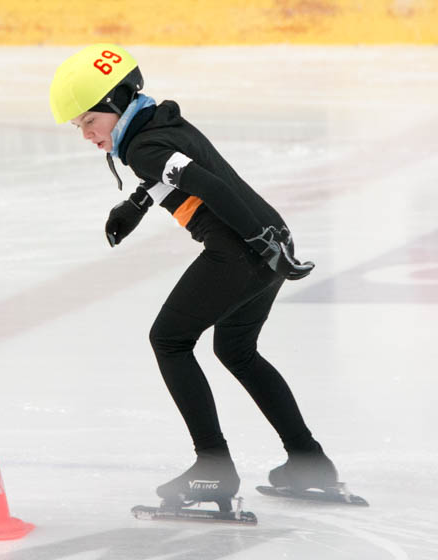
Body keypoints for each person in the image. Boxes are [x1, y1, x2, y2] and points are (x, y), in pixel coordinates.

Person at [50, 44, 338, 511]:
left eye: (89, 121)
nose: (85, 134)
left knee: (169, 340)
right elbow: (180, 169)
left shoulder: (142, 147)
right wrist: (137, 204)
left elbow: (207, 185)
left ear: (115, 104)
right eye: (77, 126)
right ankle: (308, 461)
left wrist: (260, 243)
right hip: (268, 235)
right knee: (236, 350)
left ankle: (213, 467)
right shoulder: (159, 124)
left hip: (243, 248)